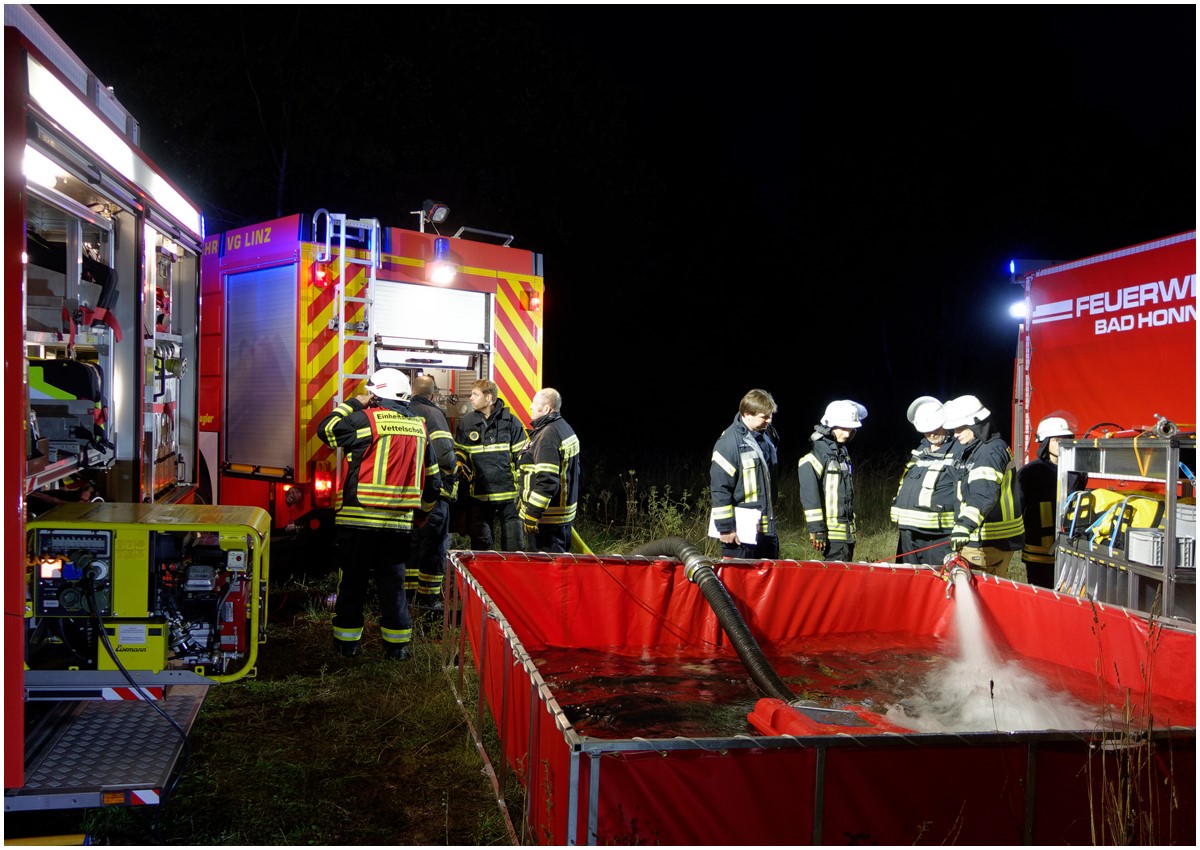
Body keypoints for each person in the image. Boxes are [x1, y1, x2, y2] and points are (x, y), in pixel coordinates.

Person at [317, 368, 441, 660]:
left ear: (376, 394)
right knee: (393, 587)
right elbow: (433, 480)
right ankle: (397, 649)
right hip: (398, 525)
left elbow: (327, 429)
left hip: (358, 523)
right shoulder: (419, 427)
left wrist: (354, 403)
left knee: (352, 584)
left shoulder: (365, 421)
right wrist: (422, 513)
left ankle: (347, 647)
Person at [941, 394, 1024, 578]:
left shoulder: (988, 452)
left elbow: (983, 494)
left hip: (988, 540)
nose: (955, 434)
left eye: (960, 428)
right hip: (982, 537)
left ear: (976, 424)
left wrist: (964, 525)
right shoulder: (977, 449)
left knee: (981, 596)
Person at [454, 379, 528, 551]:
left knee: (514, 546)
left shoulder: (511, 422)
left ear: (488, 398)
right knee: (482, 548)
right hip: (479, 494)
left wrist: (523, 491)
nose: (470, 398)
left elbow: (522, 459)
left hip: (509, 496)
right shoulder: (466, 422)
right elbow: (460, 450)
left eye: (475, 394)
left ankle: (512, 576)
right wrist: (459, 461)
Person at [1018, 414, 1088, 588]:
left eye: (1066, 439)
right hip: (1038, 549)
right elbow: (1019, 506)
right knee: (1040, 593)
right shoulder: (1030, 472)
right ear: (1045, 442)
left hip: (1068, 546)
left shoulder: (1077, 470)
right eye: (1057, 440)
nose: (1062, 444)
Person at [709, 389, 781, 559]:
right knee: (739, 582)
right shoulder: (728, 443)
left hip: (766, 529)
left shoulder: (767, 436)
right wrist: (726, 528)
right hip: (740, 534)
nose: (769, 420)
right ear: (747, 414)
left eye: (771, 415)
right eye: (764, 416)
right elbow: (720, 489)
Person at [406, 374, 457, 610]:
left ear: (410, 390)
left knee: (410, 548)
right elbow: (445, 455)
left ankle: (406, 598)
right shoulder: (434, 414)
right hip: (432, 494)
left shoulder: (402, 412)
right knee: (433, 548)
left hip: (407, 494)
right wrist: (448, 487)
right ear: (433, 395)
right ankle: (427, 601)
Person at [890, 396, 960, 565]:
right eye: (927, 430)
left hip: (937, 536)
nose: (932, 434)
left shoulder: (958, 451)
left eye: (935, 428)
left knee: (936, 582)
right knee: (907, 581)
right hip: (908, 531)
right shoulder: (921, 451)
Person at [799, 400, 867, 561]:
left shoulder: (840, 451)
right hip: (831, 535)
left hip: (845, 533)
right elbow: (810, 496)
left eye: (851, 429)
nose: (847, 433)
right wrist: (817, 530)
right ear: (830, 425)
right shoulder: (817, 452)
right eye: (843, 428)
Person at [517, 387, 581, 553]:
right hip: (560, 517)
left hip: (547, 521)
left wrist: (533, 514)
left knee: (547, 569)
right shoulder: (563, 427)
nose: (531, 406)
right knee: (559, 566)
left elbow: (547, 480)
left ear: (546, 409)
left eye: (535, 403)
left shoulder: (548, 435)